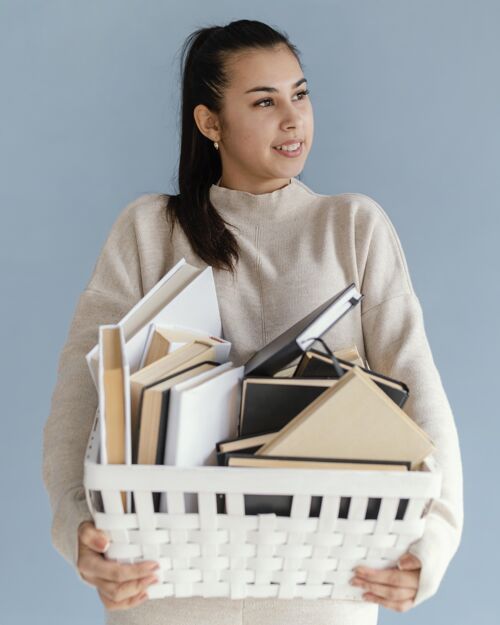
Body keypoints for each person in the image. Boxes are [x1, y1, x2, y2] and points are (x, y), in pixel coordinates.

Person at [43, 18, 463, 625]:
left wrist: (434, 542)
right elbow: (80, 401)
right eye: (264, 101)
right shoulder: (147, 230)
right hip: (167, 586)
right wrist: (76, 525)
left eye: (299, 93)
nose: (293, 119)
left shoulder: (353, 227)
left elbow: (420, 392)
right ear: (209, 123)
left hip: (322, 585)